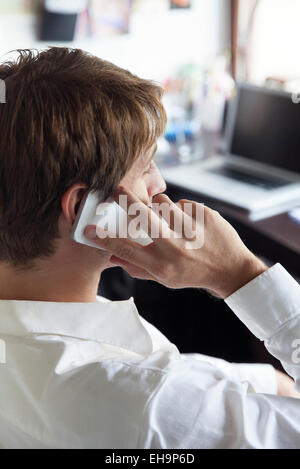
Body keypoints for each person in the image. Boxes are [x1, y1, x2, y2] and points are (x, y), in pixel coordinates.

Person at [0, 47, 299, 449]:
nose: (159, 185)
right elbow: (156, 400)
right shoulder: (148, 408)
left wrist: (259, 379)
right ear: (81, 209)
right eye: (145, 167)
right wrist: (239, 273)